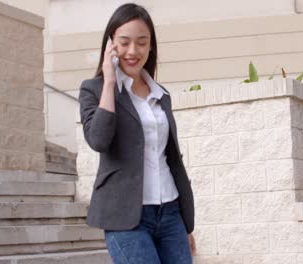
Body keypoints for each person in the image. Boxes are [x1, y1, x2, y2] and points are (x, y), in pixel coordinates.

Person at [78, 3, 196, 264]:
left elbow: (172, 159)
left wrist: (186, 224)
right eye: (124, 42)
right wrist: (109, 82)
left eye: (142, 42)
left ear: (151, 46)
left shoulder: (160, 94)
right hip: (125, 217)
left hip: (171, 213)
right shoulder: (93, 89)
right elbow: (98, 140)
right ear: (111, 44)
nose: (133, 51)